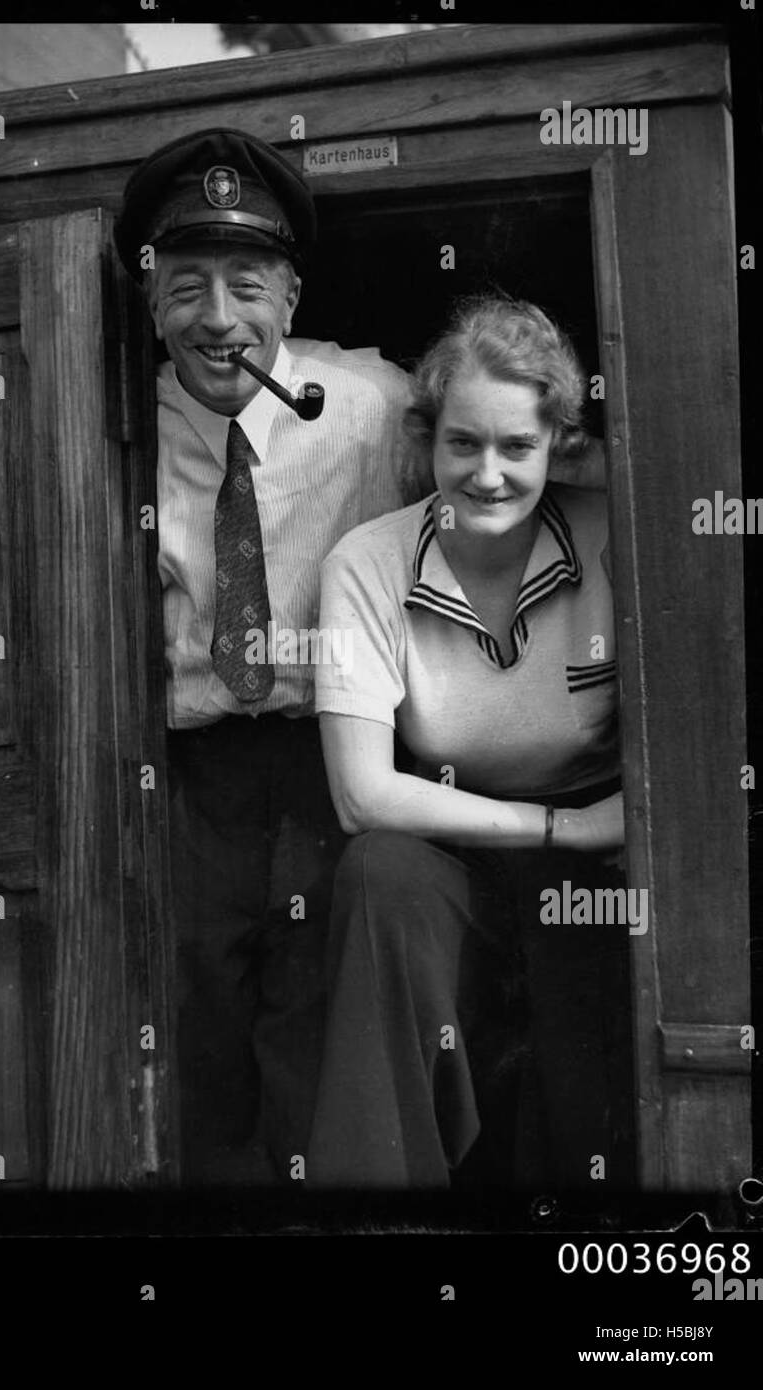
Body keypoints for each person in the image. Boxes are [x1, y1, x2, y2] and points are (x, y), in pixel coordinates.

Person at [113, 129, 412, 1183]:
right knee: (192, 1002)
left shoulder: (377, 409)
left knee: (318, 1003)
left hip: (333, 755)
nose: (218, 319)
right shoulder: (114, 424)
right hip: (191, 772)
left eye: (247, 284)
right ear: (151, 304)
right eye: (185, 285)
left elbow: (509, 466)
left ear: (289, 299)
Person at [307, 295, 635, 1190]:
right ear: (428, 442)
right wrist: (552, 827)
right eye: (463, 443)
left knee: (592, 963)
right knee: (379, 873)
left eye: (518, 447)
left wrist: (579, 839)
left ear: (560, 448)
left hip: (596, 851)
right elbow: (362, 796)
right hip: (463, 836)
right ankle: (384, 1205)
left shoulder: (615, 535)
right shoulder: (368, 564)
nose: (487, 474)